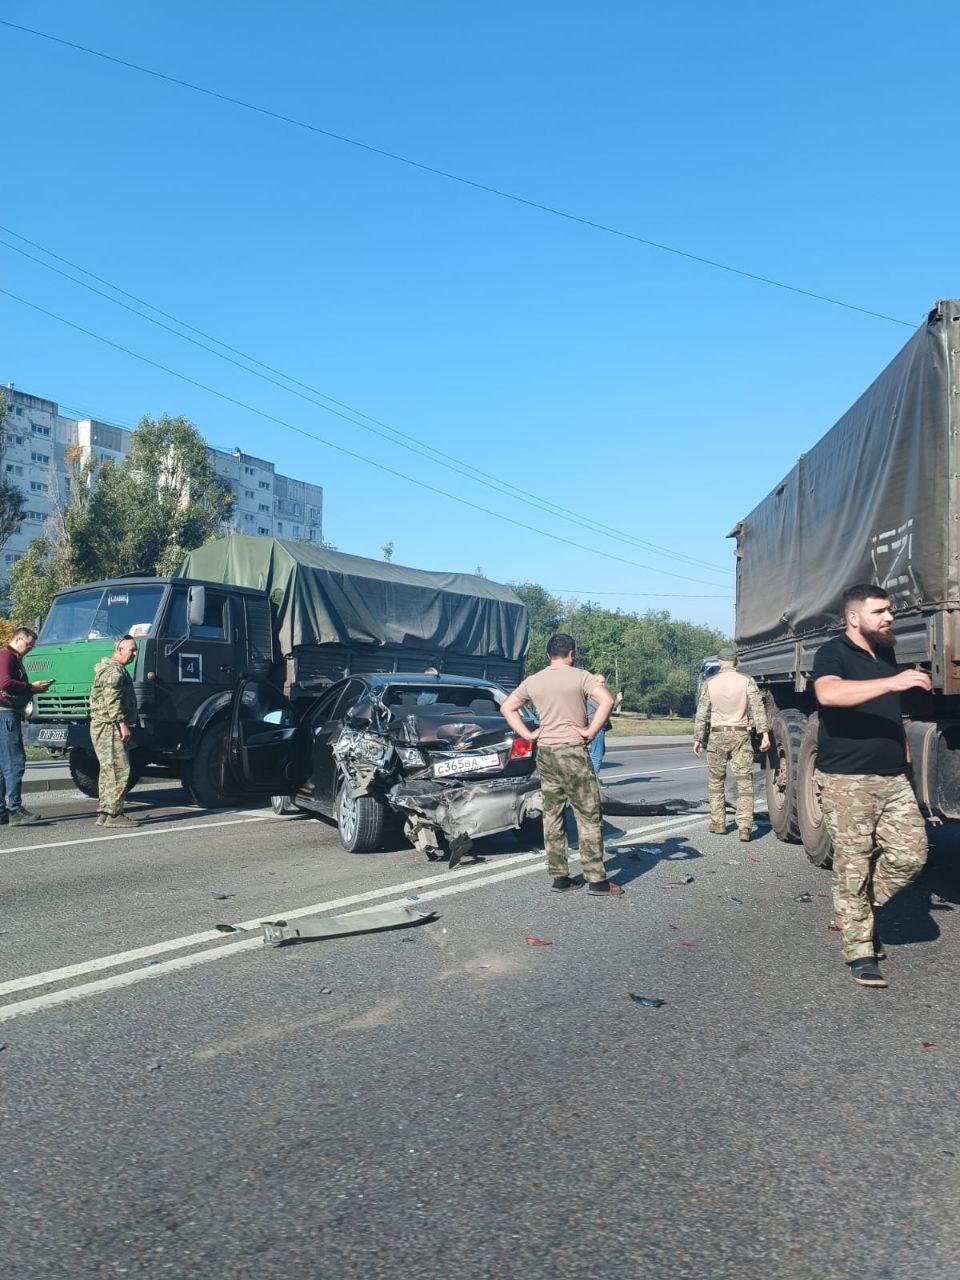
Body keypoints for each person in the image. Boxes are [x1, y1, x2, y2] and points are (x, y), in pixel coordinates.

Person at [812, 584, 931, 989]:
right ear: (854, 617)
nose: (889, 617)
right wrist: (894, 683)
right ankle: (860, 949)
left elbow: (890, 714)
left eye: (890, 611)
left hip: (893, 776)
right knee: (853, 863)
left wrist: (905, 753)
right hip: (848, 780)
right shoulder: (833, 653)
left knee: (911, 855)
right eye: (880, 611)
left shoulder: (886, 653)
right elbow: (828, 693)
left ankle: (855, 911)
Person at [500, 634, 622, 897]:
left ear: (548, 655)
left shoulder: (533, 681)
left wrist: (529, 734)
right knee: (587, 815)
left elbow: (507, 707)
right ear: (571, 654)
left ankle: (560, 877)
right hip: (572, 751)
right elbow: (607, 700)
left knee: (552, 815)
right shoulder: (580, 676)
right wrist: (590, 730)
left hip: (546, 753)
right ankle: (597, 880)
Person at [693, 646, 770, 841]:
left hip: (717, 735)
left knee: (716, 781)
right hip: (740, 734)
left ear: (720, 662)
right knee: (744, 782)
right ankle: (745, 826)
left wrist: (698, 738)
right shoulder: (747, 681)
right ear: (736, 662)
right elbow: (758, 709)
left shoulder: (710, 683)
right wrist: (765, 734)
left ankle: (718, 822)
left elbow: (702, 713)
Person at [0, 626, 53, 826]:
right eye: (29, 645)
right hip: (6, 715)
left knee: (2, 765)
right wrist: (32, 688)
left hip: (5, 715)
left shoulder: (13, 658)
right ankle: (15, 809)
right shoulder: (6, 656)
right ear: (19, 639)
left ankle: (2, 812)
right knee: (14, 763)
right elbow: (4, 682)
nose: (30, 649)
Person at [89, 634, 139, 828]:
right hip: (109, 727)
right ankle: (115, 814)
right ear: (119, 650)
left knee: (108, 769)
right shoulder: (114, 672)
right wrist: (122, 724)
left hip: (103, 725)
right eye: (131, 650)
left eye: (135, 650)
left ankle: (104, 812)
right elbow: (112, 702)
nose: (134, 654)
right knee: (119, 769)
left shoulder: (110, 669)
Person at [586, 674, 610, 775]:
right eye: (601, 682)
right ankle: (592, 781)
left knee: (601, 752)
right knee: (597, 756)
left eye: (604, 682)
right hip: (596, 728)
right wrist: (616, 701)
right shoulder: (593, 696)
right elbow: (606, 709)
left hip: (598, 728)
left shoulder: (595, 696)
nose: (604, 685)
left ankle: (591, 777)